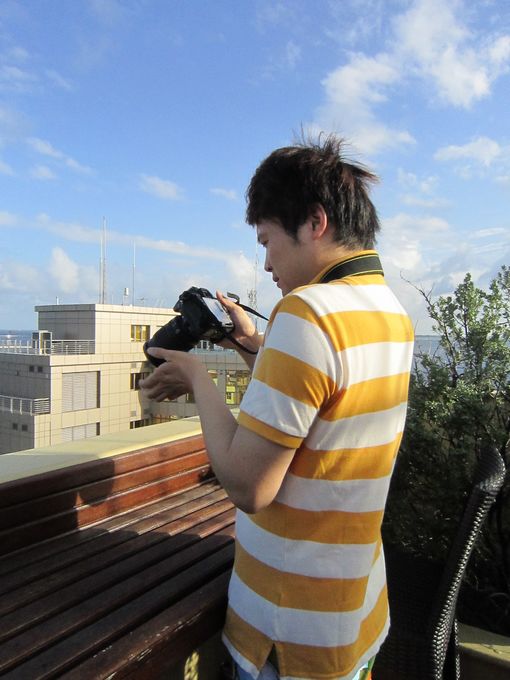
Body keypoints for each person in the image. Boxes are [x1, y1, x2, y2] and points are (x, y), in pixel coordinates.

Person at [140, 135, 414, 680]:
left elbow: (248, 487)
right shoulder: (390, 312)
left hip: (288, 634)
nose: (266, 264)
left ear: (315, 222)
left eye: (267, 241)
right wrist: (251, 344)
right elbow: (324, 398)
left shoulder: (306, 312)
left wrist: (197, 377)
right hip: (354, 611)